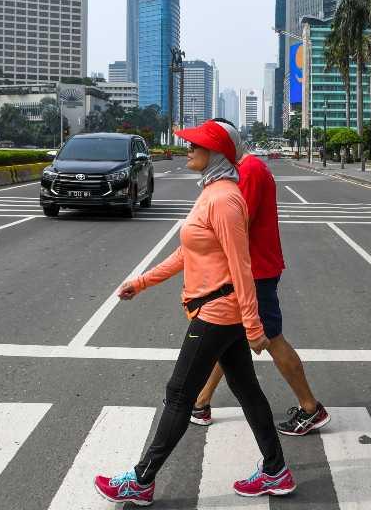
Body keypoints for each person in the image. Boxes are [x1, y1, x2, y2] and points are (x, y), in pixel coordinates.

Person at [94, 120, 296, 506]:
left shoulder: (224, 200)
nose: (187, 150)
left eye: (195, 146)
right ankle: (276, 471)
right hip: (218, 308)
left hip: (219, 311)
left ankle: (141, 480)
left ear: (216, 154)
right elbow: (187, 253)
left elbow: (242, 266)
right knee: (246, 389)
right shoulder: (212, 193)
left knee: (178, 394)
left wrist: (254, 326)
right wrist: (142, 282)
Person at [190, 119, 330, 437]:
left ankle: (310, 408)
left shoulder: (250, 171)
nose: (198, 150)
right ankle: (200, 402)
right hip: (251, 269)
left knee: (271, 338)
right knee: (227, 339)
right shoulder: (243, 170)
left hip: (256, 272)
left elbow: (238, 222)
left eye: (206, 145)